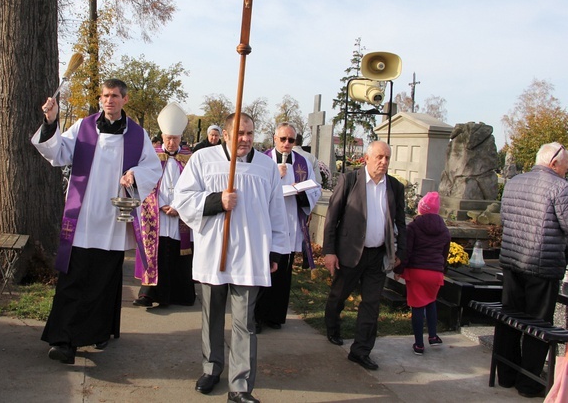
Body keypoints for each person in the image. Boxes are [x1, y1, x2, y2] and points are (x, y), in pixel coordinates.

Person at [33, 78, 161, 365]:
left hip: (114, 220)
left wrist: (135, 176)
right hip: (83, 218)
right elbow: (57, 153)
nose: (109, 100)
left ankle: (99, 331)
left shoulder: (138, 135)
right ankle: (63, 340)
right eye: (105, 95)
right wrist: (51, 121)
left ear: (125, 99)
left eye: (115, 96)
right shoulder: (83, 127)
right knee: (73, 279)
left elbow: (152, 167)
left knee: (103, 282)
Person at [174, 112, 289, 403]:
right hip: (214, 251)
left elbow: (277, 211)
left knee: (244, 323)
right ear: (225, 134)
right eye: (239, 133)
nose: (246, 139)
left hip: (250, 254)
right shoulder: (202, 160)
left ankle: (240, 385)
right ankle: (212, 368)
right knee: (212, 315)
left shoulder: (266, 167)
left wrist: (276, 250)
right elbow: (182, 198)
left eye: (250, 133)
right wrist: (216, 201)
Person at [322, 140, 406, 371]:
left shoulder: (395, 187)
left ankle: (360, 350)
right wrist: (329, 251)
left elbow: (400, 222)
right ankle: (332, 327)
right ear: (366, 158)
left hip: (377, 256)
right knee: (338, 296)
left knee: (371, 304)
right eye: (379, 157)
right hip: (349, 252)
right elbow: (332, 218)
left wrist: (400, 251)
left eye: (387, 158)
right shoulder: (349, 181)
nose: (383, 162)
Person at [496, 142, 568, 397]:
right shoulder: (560, 188)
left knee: (509, 320)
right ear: (554, 162)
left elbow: (504, 217)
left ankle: (505, 376)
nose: (566, 170)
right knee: (538, 326)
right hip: (542, 264)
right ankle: (528, 383)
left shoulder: (514, 182)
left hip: (513, 260)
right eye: (566, 164)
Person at [255, 123, 321, 331]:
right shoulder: (263, 160)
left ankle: (275, 316)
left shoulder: (303, 162)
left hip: (290, 223)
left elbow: (314, 189)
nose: (286, 144)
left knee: (283, 273)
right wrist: (276, 175)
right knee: (264, 271)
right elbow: (254, 189)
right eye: (283, 139)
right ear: (274, 138)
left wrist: (302, 192)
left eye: (291, 140)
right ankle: (256, 317)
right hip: (267, 224)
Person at [134, 103, 196, 309]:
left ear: (180, 138)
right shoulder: (152, 156)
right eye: (168, 138)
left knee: (178, 254)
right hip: (157, 214)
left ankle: (177, 295)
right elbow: (147, 182)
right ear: (162, 136)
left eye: (175, 138)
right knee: (156, 253)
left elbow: (193, 186)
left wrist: (178, 206)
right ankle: (149, 294)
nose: (171, 142)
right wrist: (160, 205)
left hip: (180, 215)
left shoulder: (189, 160)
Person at [393, 191, 450, 356]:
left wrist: (399, 270)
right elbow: (444, 254)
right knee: (431, 301)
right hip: (435, 273)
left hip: (417, 272)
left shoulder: (413, 227)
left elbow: (407, 252)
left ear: (421, 208)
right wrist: (442, 270)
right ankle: (433, 336)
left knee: (417, 306)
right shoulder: (444, 230)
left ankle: (419, 344)